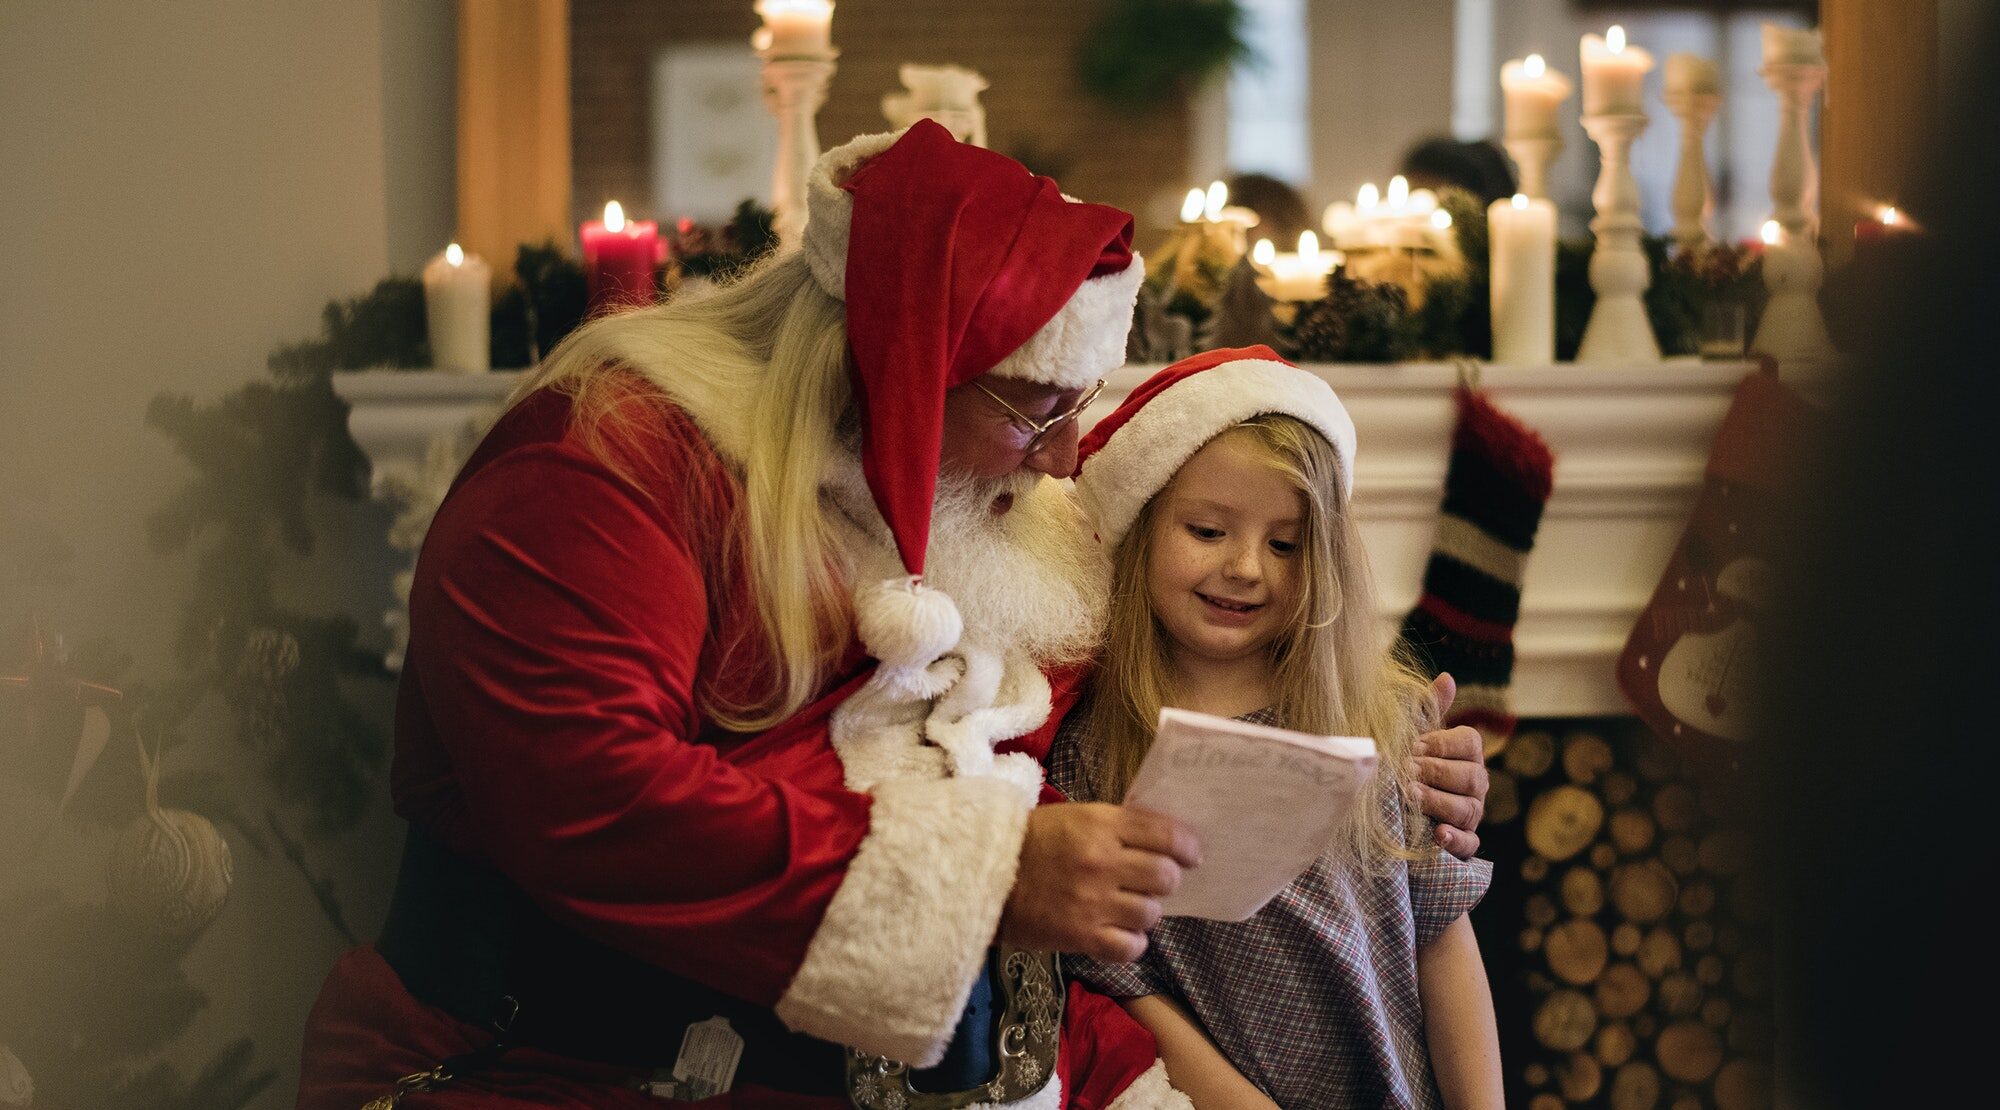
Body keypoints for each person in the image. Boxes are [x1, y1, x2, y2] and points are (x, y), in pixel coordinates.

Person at [294, 123, 1490, 1108]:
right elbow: (596, 800)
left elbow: (1129, 691)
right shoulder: (604, 468)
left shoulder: (974, 501)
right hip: (540, 1059)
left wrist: (1391, 756)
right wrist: (988, 875)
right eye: (1036, 411)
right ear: (899, 373)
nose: (1067, 456)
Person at [1048, 347, 1503, 1109]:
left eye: (1284, 544)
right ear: (1144, 524)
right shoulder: (1093, 754)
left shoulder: (1379, 723)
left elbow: (1443, 935)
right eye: (1207, 530)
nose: (1247, 568)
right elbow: (1129, 990)